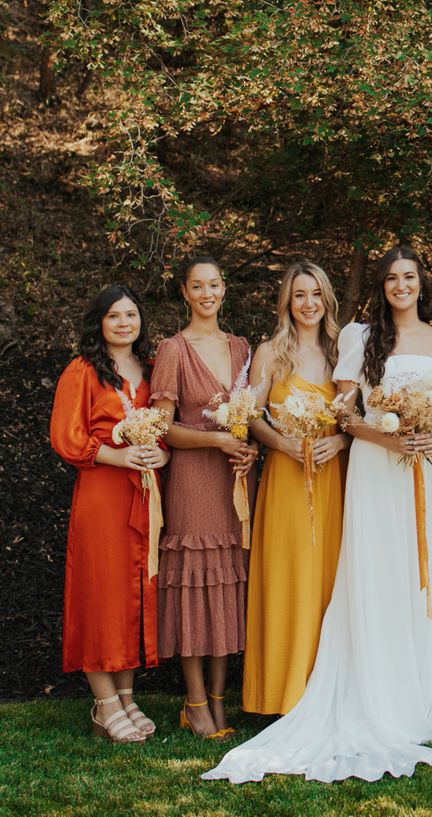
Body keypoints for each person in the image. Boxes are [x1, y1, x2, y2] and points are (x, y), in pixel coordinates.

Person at [203, 246, 432, 783]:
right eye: (392, 278)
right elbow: (345, 413)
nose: (401, 286)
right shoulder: (360, 338)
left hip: (431, 469)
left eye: (410, 277)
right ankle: (377, 691)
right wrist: (387, 438)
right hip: (378, 468)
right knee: (376, 577)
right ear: (381, 286)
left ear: (423, 283)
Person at [50, 285, 169, 742]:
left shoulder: (152, 370)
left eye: (131, 314)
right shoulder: (82, 371)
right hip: (102, 491)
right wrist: (117, 457)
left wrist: (162, 457)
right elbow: (65, 435)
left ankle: (125, 696)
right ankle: (103, 703)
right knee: (100, 592)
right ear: (99, 322)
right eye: (114, 315)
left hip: (143, 491)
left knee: (133, 590)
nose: (124, 323)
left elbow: (164, 430)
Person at [151, 257, 258, 739]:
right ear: (185, 293)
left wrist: (248, 449)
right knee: (195, 588)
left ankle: (218, 702)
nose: (207, 293)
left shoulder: (241, 348)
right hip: (193, 480)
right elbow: (164, 428)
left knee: (228, 586)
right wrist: (215, 440)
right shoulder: (173, 350)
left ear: (224, 288)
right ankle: (194, 703)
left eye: (214, 284)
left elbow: (252, 419)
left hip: (234, 482)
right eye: (197, 286)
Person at [243, 261, 349, 715]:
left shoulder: (344, 351)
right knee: (288, 577)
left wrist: (340, 441)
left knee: (330, 580)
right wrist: (282, 444)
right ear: (287, 301)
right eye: (300, 294)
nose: (309, 304)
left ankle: (328, 694)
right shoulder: (269, 353)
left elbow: (357, 416)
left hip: (334, 479)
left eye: (316, 294)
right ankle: (282, 696)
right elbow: (250, 415)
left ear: (327, 299)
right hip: (286, 479)